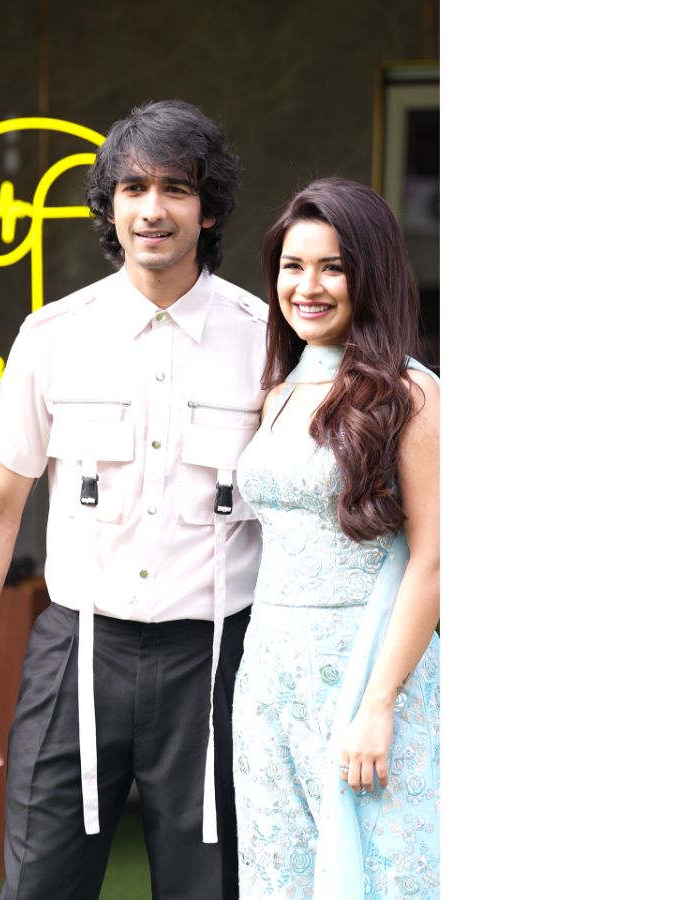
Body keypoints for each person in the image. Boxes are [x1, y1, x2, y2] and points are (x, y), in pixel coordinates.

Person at [0, 99, 268, 900]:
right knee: (40, 887)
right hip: (77, 653)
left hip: (216, 661)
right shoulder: (53, 334)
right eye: (133, 188)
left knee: (211, 890)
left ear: (209, 209)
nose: (152, 209)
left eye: (176, 188)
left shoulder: (267, 341)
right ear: (111, 207)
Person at [232, 177, 440, 899]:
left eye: (333, 267)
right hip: (269, 676)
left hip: (370, 667)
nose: (308, 286)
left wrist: (378, 704)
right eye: (293, 266)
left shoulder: (411, 394)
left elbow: (435, 560)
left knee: (383, 872)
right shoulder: (278, 392)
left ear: (370, 273)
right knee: (278, 874)